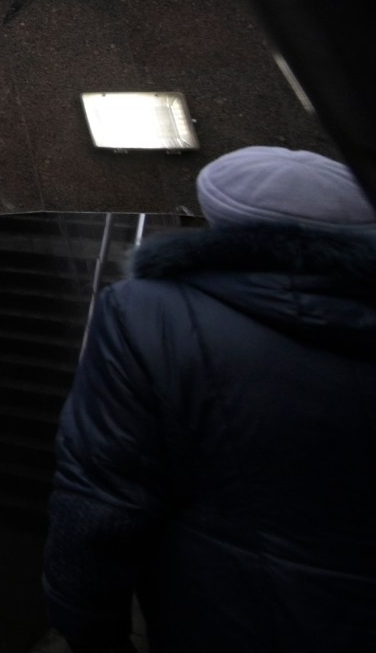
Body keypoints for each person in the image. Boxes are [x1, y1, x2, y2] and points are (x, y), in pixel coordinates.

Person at [43, 146, 376, 653]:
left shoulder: (147, 315)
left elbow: (100, 499)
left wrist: (93, 634)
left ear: (216, 217)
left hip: (225, 617)